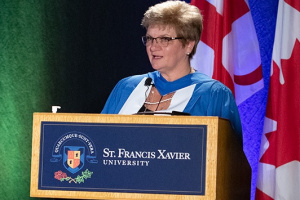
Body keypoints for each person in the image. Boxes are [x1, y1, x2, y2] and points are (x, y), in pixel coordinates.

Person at [101, 0, 242, 138]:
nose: (153, 47)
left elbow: (227, 156)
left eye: (165, 39)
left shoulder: (213, 95)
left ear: (188, 45)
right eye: (150, 38)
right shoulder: (126, 87)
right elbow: (99, 138)